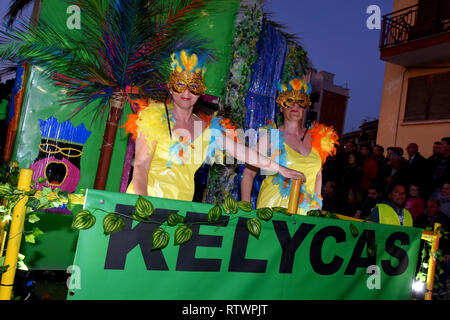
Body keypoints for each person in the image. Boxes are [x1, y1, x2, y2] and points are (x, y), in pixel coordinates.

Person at [125, 50, 304, 201]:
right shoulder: (153, 117)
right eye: (180, 84)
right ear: (170, 87)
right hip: (145, 200)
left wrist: (281, 169)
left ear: (200, 91)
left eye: (193, 86)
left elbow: (243, 152)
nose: (186, 92)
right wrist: (142, 203)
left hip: (179, 207)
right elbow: (141, 165)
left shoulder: (205, 129)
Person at [241, 77, 338, 215]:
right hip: (273, 209)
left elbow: (318, 176)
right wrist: (245, 211)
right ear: (281, 106)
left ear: (305, 107)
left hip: (306, 212)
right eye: (289, 102)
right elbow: (249, 172)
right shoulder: (271, 136)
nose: (295, 107)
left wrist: (316, 211)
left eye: (300, 102)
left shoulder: (317, 138)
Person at [414, 199, 450, 296]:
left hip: (439, 251)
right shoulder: (421, 218)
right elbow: (415, 233)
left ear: (438, 208)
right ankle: (419, 287)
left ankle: (439, 286)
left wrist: (447, 252)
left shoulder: (445, 220)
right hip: (422, 250)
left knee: (446, 262)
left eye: (432, 207)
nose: (429, 209)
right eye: (427, 207)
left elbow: (448, 239)